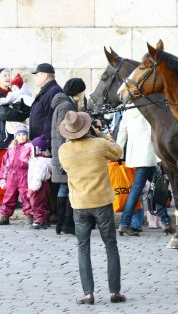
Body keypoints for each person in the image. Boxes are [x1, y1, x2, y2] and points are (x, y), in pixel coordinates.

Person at [58, 111, 125, 305]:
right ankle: (115, 292)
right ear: (87, 127)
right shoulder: (99, 144)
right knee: (110, 246)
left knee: (83, 248)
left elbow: (65, 168)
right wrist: (101, 134)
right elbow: (118, 151)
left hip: (79, 203)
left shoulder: (64, 150)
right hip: (102, 201)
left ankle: (88, 293)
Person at [117, 106, 167, 236]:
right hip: (152, 154)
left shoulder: (128, 111)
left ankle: (125, 223)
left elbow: (122, 133)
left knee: (137, 191)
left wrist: (118, 155)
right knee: (158, 189)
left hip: (138, 156)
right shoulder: (150, 107)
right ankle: (165, 221)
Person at [51, 78, 86, 235]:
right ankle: (66, 224)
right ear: (78, 91)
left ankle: (62, 224)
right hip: (65, 154)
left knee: (65, 187)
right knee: (67, 188)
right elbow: (65, 133)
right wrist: (69, 156)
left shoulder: (63, 103)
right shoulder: (66, 105)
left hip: (61, 152)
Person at [29, 63, 63, 219]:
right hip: (40, 144)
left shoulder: (53, 91)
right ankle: (48, 210)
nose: (36, 77)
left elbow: (51, 120)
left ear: (45, 75)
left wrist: (47, 144)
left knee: (50, 180)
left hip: (45, 145)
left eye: (37, 74)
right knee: (44, 179)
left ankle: (53, 211)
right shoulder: (47, 91)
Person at [0, 69, 30, 204]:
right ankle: (2, 200)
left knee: (12, 169)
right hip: (2, 138)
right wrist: (23, 115)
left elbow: (27, 108)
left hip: (13, 138)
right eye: (4, 75)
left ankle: (10, 197)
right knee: (3, 169)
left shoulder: (13, 94)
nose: (8, 77)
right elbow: (5, 114)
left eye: (8, 75)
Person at [0, 124, 33, 225]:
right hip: (11, 176)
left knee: (26, 196)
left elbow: (34, 162)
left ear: (27, 136)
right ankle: (5, 215)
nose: (22, 136)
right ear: (15, 137)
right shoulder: (11, 150)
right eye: (19, 135)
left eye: (24, 134)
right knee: (9, 196)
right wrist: (3, 178)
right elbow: (5, 165)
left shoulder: (30, 148)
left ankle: (30, 215)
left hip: (24, 175)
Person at [27, 135, 52, 229]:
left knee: (37, 204)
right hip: (44, 185)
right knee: (44, 203)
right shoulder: (43, 160)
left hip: (38, 187)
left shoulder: (39, 162)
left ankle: (39, 220)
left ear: (37, 150)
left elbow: (37, 177)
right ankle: (45, 219)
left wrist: (32, 189)